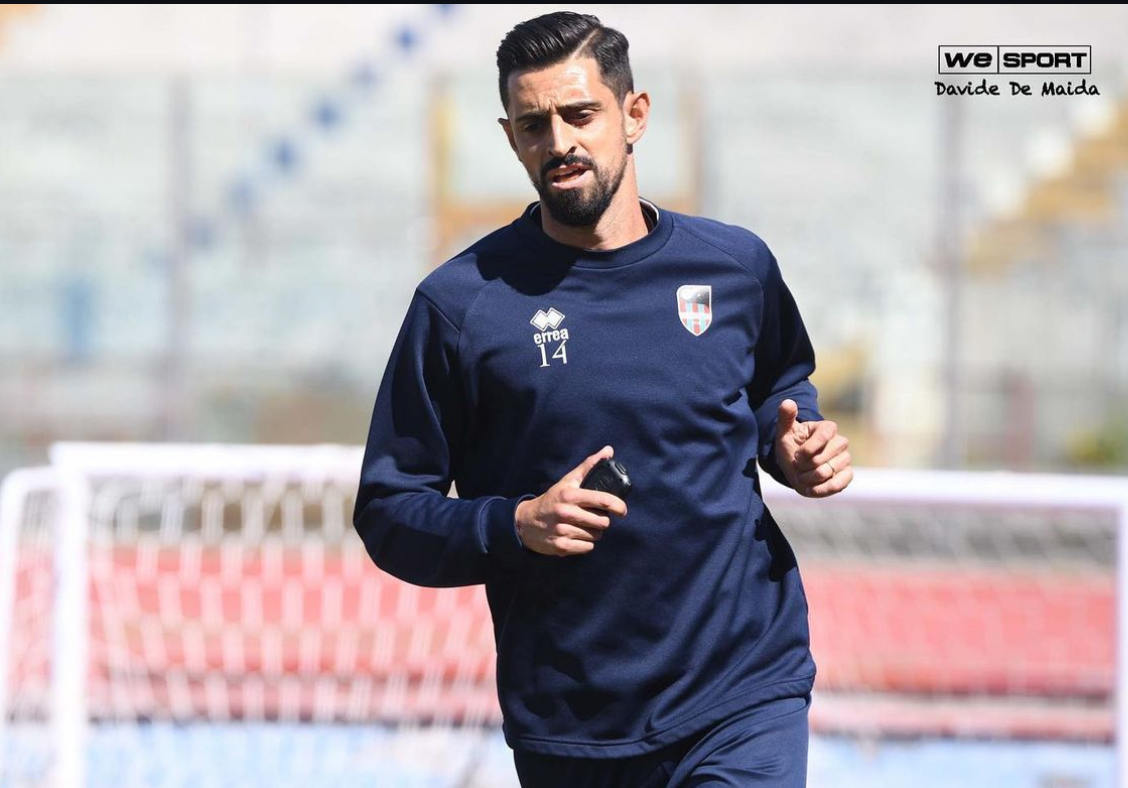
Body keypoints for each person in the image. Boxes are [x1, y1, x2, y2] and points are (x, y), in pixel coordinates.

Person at [352, 10, 853, 787]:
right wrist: (514, 524)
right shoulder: (460, 305)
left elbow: (779, 390)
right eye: (533, 125)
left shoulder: (735, 268)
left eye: (580, 114)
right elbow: (389, 510)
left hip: (742, 689)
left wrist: (796, 445)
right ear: (511, 138)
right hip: (573, 725)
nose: (559, 142)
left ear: (634, 114)